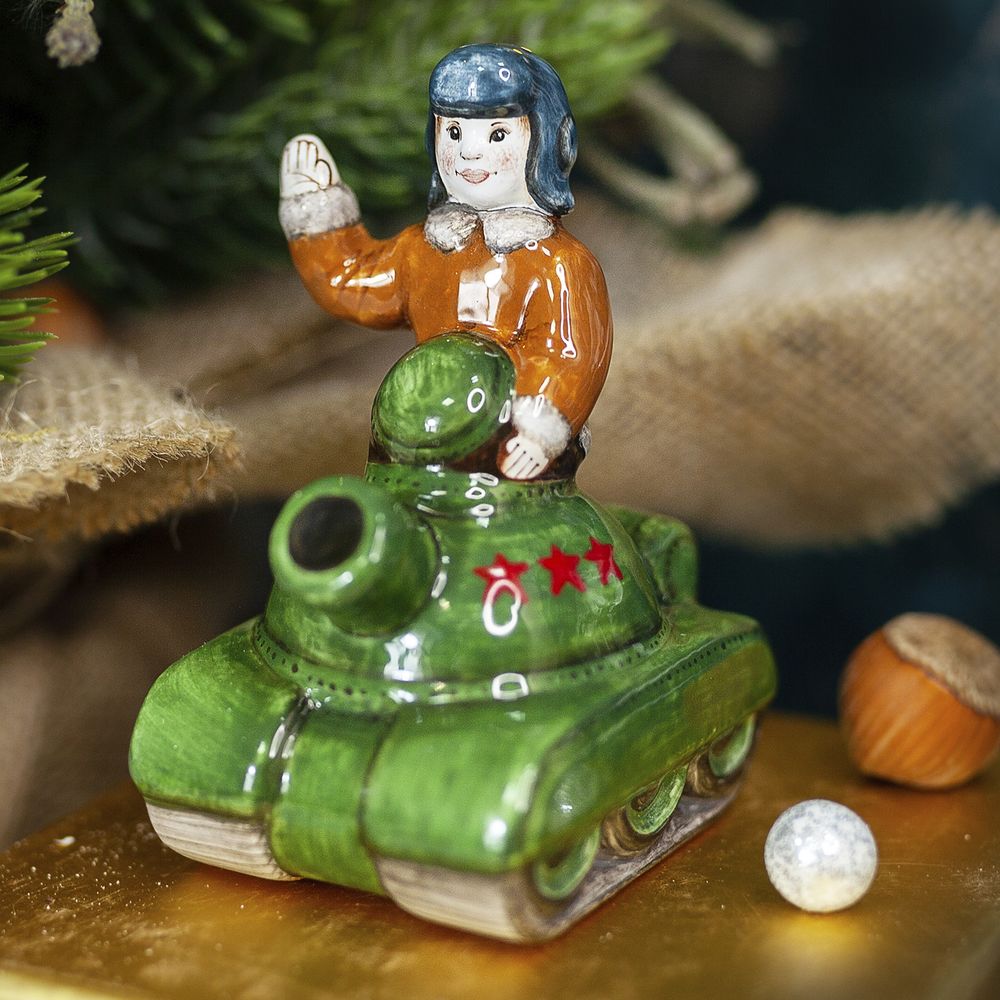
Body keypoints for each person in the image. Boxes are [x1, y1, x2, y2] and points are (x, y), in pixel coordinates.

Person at [279, 43, 612, 480]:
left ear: (545, 142)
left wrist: (539, 430)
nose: (469, 152)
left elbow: (569, 354)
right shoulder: (427, 249)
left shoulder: (559, 264)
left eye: (496, 135)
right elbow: (358, 283)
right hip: (422, 443)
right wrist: (319, 221)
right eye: (454, 132)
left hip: (510, 451)